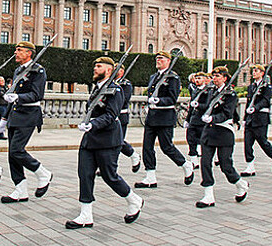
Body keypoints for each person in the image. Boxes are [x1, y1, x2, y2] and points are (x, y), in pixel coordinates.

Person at [66, 57, 143, 229]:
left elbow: (111, 115)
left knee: (110, 176)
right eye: (95, 65)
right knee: (85, 174)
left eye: (99, 66)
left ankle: (134, 200)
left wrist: (92, 124)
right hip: (90, 139)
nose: (95, 68)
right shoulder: (97, 88)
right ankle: (86, 215)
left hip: (108, 139)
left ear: (108, 70)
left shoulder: (115, 90)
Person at [0, 41, 52, 203]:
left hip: (29, 114)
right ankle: (20, 189)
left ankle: (42, 173)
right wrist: (4, 118)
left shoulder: (38, 71)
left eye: (19, 50)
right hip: (15, 114)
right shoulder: (18, 70)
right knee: (12, 155)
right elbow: (12, 95)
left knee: (17, 150)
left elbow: (37, 94)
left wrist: (19, 97)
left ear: (29, 53)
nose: (16, 52)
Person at [135, 51, 193, 189]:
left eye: (161, 58)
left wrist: (159, 100)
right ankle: (150, 176)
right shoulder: (154, 77)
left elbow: (172, 98)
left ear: (168, 61)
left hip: (165, 116)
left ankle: (185, 164)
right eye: (157, 58)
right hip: (152, 116)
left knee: (166, 147)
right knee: (147, 147)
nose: (158, 60)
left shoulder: (172, 78)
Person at [196, 66, 249, 208]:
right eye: (213, 76)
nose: (215, 78)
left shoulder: (230, 94)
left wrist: (213, 118)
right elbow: (207, 106)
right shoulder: (211, 91)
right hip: (209, 132)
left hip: (223, 132)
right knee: (205, 163)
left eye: (218, 76)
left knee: (226, 165)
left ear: (225, 78)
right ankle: (208, 195)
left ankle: (240, 184)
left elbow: (227, 113)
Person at [240, 65, 272, 176]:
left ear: (262, 73)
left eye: (256, 71)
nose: (254, 73)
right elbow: (249, 102)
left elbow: (265, 100)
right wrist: (244, 118)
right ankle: (250, 166)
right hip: (250, 119)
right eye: (253, 71)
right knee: (247, 143)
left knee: (263, 141)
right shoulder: (251, 87)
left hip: (261, 117)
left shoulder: (266, 86)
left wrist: (256, 108)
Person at [115, 64, 141, 172]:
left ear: (121, 71)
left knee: (118, 141)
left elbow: (124, 99)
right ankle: (109, 167)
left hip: (121, 115)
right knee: (111, 142)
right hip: (112, 115)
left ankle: (133, 155)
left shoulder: (126, 84)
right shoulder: (110, 83)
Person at [184, 72, 213, 169]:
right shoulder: (195, 91)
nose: (197, 80)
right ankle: (194, 161)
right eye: (196, 78)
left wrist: (199, 106)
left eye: (199, 78)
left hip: (202, 120)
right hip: (194, 119)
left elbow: (208, 105)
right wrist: (187, 119)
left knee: (203, 141)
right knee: (190, 139)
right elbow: (191, 107)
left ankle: (207, 160)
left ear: (205, 79)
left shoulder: (209, 91)